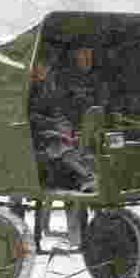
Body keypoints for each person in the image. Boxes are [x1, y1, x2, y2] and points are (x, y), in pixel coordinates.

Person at [29, 46, 100, 192]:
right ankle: (87, 177)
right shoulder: (26, 88)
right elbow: (28, 115)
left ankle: (85, 179)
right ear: (33, 67)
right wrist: (55, 129)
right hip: (31, 133)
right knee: (60, 146)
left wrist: (67, 130)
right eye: (41, 66)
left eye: (47, 67)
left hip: (48, 131)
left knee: (77, 142)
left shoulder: (48, 87)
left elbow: (57, 113)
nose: (44, 70)